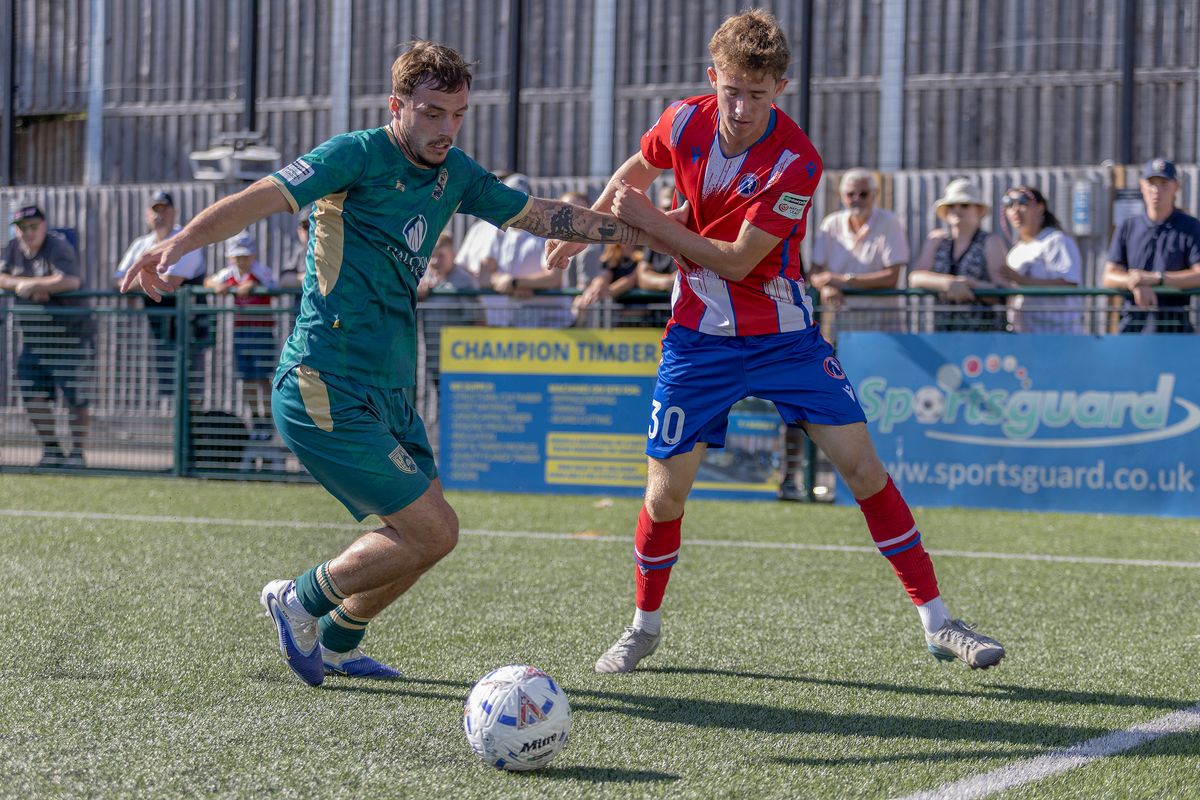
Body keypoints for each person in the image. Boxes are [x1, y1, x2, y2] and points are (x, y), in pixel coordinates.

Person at [120, 40, 659, 688]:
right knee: (433, 531)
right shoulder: (356, 155)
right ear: (396, 105)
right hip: (324, 380)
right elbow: (261, 196)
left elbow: (542, 214)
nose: (445, 129)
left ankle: (341, 642)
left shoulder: (454, 172)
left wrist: (639, 232)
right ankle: (297, 601)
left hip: (390, 390)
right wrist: (177, 243)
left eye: (457, 114)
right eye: (431, 113)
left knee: (428, 536)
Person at [545, 9, 1005, 674]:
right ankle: (644, 627)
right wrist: (593, 224)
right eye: (731, 91)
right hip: (697, 340)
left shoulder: (798, 162)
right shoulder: (682, 120)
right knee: (664, 495)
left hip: (784, 338)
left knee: (865, 470)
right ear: (714, 79)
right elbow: (631, 180)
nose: (740, 108)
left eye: (757, 95)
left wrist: (642, 225)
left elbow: (735, 261)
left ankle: (937, 622)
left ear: (780, 88)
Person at [0, 205, 91, 467]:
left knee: (76, 397)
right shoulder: (12, 248)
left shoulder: (58, 246)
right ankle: (51, 450)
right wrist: (22, 285)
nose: (27, 232)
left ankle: (77, 454)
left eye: (32, 226)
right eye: (21, 227)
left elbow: (71, 281)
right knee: (32, 393)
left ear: (44, 224)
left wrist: (35, 285)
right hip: (35, 338)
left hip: (71, 336)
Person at [113, 190, 210, 405]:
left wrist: (137, 278)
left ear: (174, 212)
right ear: (147, 215)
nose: (160, 215)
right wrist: (143, 278)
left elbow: (168, 283)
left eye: (164, 209)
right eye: (155, 210)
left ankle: (191, 436)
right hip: (159, 329)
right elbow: (118, 281)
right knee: (171, 388)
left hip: (189, 329)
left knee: (190, 389)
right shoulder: (141, 243)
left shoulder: (186, 240)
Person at [1102, 158, 1200, 334]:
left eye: (1164, 183)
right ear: (1142, 186)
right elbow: (1109, 276)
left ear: (1176, 187)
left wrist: (1157, 279)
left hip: (1175, 329)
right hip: (1132, 327)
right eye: (1151, 183)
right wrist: (1136, 282)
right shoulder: (1128, 226)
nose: (1156, 190)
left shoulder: (1190, 227)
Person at [809, 168, 908, 334]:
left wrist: (843, 281)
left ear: (874, 194)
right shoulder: (831, 223)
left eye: (863, 194)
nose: (856, 199)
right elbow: (814, 273)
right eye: (850, 194)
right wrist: (825, 287)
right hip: (841, 324)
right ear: (842, 197)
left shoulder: (890, 223)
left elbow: (892, 278)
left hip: (882, 323)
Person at [909, 178, 1008, 332]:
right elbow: (915, 277)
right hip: (941, 333)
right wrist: (948, 283)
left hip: (982, 336)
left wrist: (972, 285)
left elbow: (1003, 292)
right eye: (951, 206)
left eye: (964, 205)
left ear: (978, 210)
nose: (957, 210)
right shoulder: (937, 241)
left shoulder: (991, 242)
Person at [480, 173, 574, 328]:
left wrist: (515, 283)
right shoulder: (497, 234)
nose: (514, 203)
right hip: (513, 326)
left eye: (520, 198)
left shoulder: (547, 232)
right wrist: (508, 284)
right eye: (509, 197)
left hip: (552, 327)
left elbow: (553, 278)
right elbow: (484, 277)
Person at [204, 232, 277, 428]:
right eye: (237, 256)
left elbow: (273, 285)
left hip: (261, 332)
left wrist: (254, 285)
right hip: (241, 332)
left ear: (252, 255)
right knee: (247, 379)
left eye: (244, 256)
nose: (241, 260)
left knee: (263, 378)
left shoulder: (260, 271)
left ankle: (269, 419)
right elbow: (208, 281)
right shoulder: (229, 273)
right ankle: (255, 418)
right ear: (230, 257)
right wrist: (218, 286)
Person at [999, 186, 1085, 333]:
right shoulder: (1016, 250)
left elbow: (1069, 283)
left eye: (1022, 203)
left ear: (1040, 208)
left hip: (1058, 334)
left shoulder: (1056, 240)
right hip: (1024, 335)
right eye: (1009, 204)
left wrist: (1022, 281)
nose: (1015, 210)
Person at [417, 232, 480, 398]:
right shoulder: (423, 278)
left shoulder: (463, 281)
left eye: (441, 256)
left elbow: (479, 320)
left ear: (452, 254)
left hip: (459, 361)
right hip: (431, 359)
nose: (436, 261)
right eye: (432, 256)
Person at [277, 210, 311, 289]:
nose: (310, 231)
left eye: (313, 226)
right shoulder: (300, 251)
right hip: (304, 300)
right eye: (306, 227)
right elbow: (284, 280)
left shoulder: (331, 250)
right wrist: (307, 277)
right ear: (299, 230)